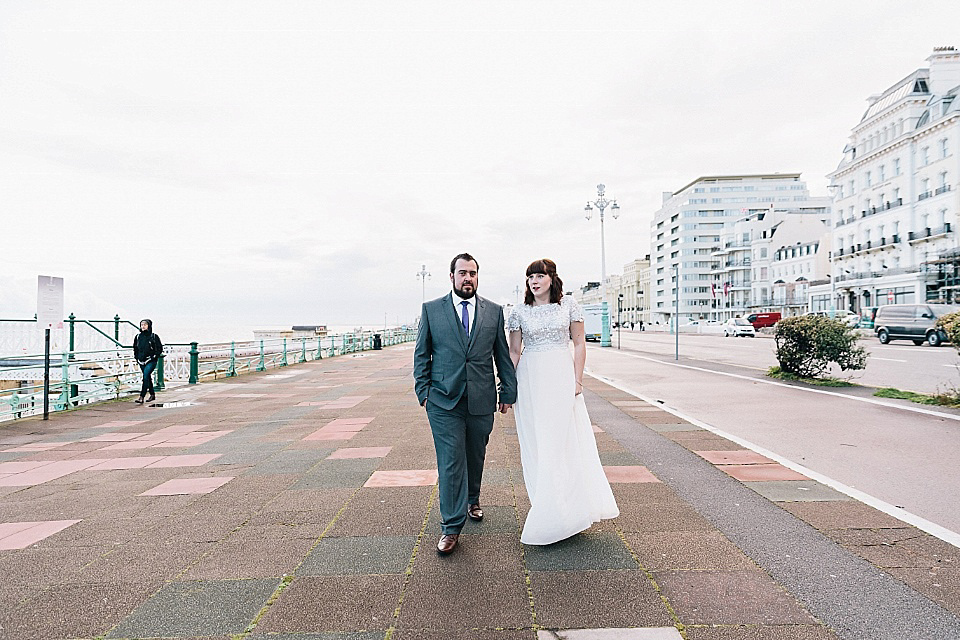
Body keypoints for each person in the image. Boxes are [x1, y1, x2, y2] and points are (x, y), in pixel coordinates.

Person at [507, 259, 618, 545]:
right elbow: (515, 351)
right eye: (530, 276)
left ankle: (568, 510)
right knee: (538, 443)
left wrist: (578, 381)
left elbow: (579, 343)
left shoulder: (568, 306)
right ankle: (548, 506)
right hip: (530, 381)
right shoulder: (519, 312)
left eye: (539, 275)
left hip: (560, 377)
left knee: (563, 442)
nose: (534, 280)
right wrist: (507, 385)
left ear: (551, 278)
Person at [413, 253, 518, 556]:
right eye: (462, 273)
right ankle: (451, 526)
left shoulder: (494, 312)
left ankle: (472, 500)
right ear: (451, 277)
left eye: (472, 273)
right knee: (451, 462)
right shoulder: (432, 310)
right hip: (443, 401)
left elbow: (501, 355)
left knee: (475, 455)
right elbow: (422, 354)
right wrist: (424, 392)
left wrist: (507, 392)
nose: (467, 278)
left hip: (482, 398)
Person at [133, 319, 163, 404]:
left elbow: (159, 348)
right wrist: (136, 357)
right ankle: (152, 394)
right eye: (142, 325)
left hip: (151, 360)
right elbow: (135, 348)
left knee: (145, 376)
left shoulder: (154, 336)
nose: (143, 326)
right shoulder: (138, 337)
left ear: (149, 326)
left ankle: (141, 396)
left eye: (145, 325)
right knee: (147, 377)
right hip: (141, 360)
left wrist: (154, 356)